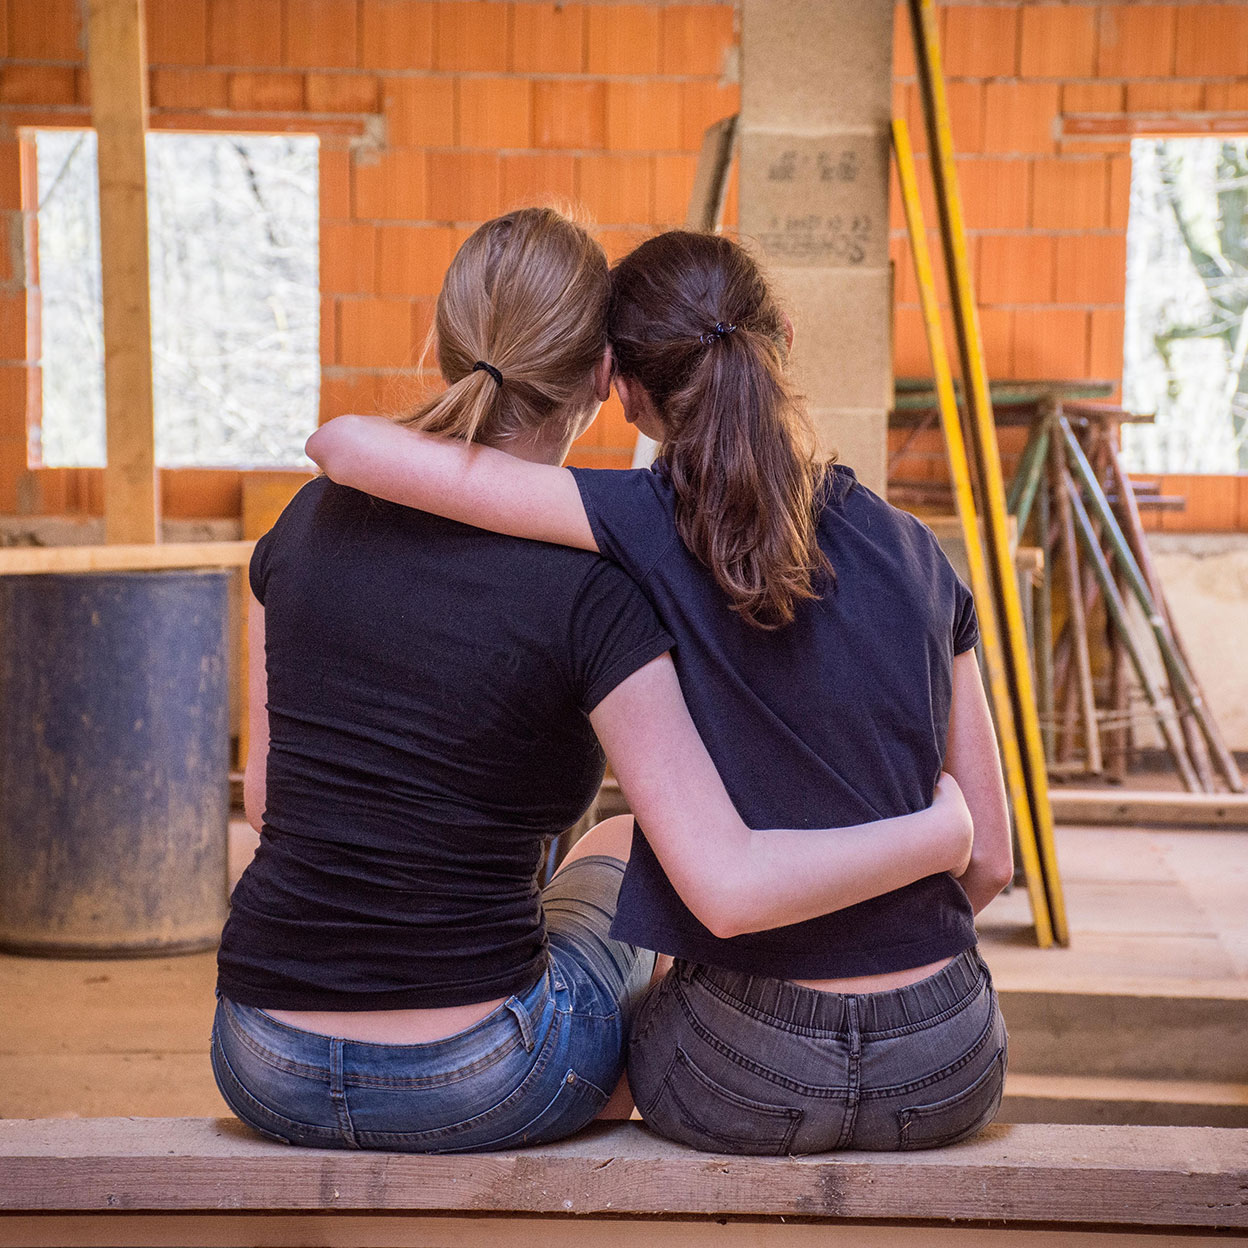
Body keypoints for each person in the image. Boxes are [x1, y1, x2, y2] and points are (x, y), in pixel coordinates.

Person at [215, 210, 975, 1155]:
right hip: (484, 1080)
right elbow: (731, 879)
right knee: (620, 844)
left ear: (450, 341)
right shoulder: (603, 581)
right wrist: (939, 831)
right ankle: (597, 1085)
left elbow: (265, 800)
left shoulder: (295, 528)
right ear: (604, 377)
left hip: (258, 1053)